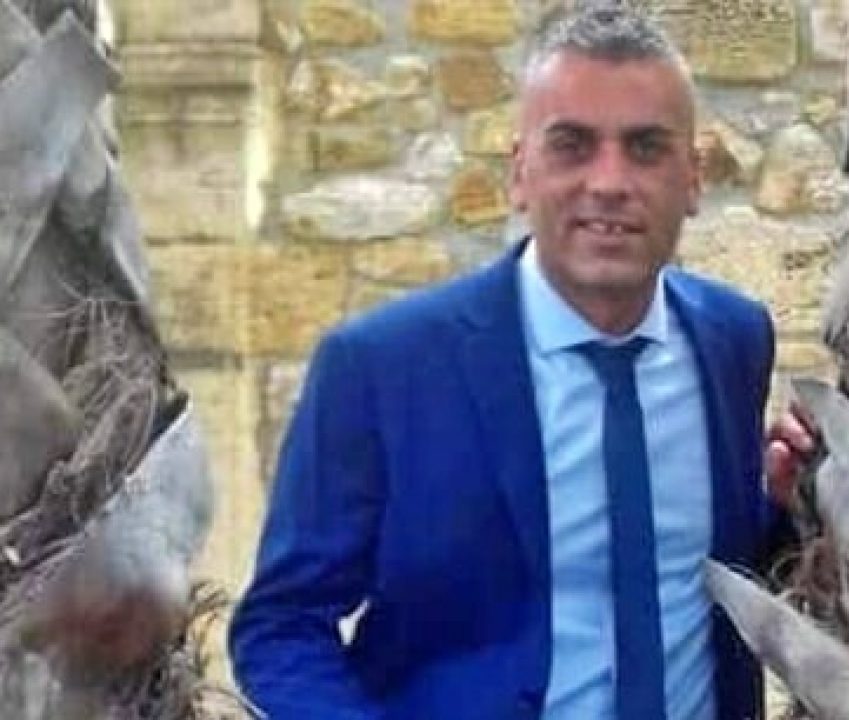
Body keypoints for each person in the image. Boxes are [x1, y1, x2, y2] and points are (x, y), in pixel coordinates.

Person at [228, 4, 816, 719]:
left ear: (693, 178)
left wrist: (787, 511)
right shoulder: (382, 369)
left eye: (646, 147)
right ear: (518, 173)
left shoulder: (733, 340)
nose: (609, 180)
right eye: (572, 145)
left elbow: (700, 564)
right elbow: (281, 628)